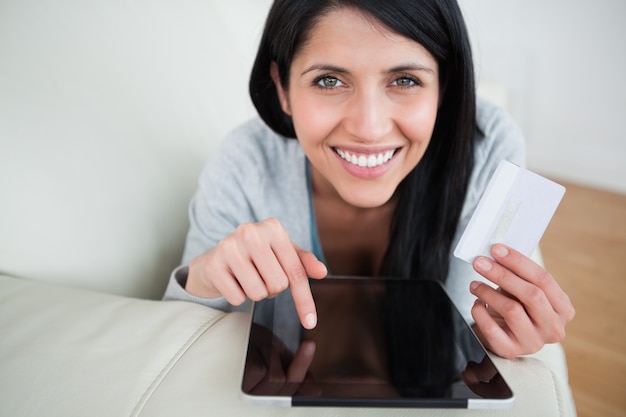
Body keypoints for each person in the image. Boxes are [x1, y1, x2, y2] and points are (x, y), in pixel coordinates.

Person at [163, 0, 575, 359]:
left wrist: (503, 333)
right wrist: (203, 276)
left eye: (405, 80)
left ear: (443, 88)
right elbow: (173, 342)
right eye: (329, 80)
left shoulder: (489, 149)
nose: (369, 127)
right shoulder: (244, 162)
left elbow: (469, 328)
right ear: (283, 88)